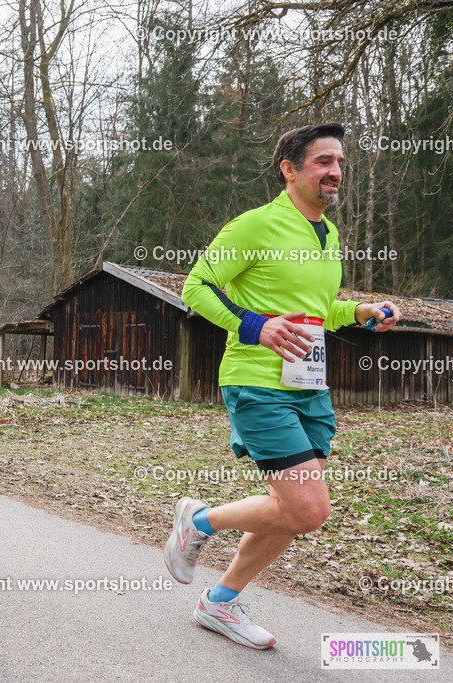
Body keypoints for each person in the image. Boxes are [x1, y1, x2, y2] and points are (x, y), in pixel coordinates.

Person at [165, 123, 402, 649]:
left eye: (339, 162)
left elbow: (319, 310)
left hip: (309, 385)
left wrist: (359, 310)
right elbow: (196, 286)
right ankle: (199, 519)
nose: (335, 171)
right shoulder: (255, 226)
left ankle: (220, 603)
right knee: (309, 509)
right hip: (258, 382)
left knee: (292, 511)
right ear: (289, 170)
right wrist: (256, 325)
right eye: (322, 162)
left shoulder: (328, 233)